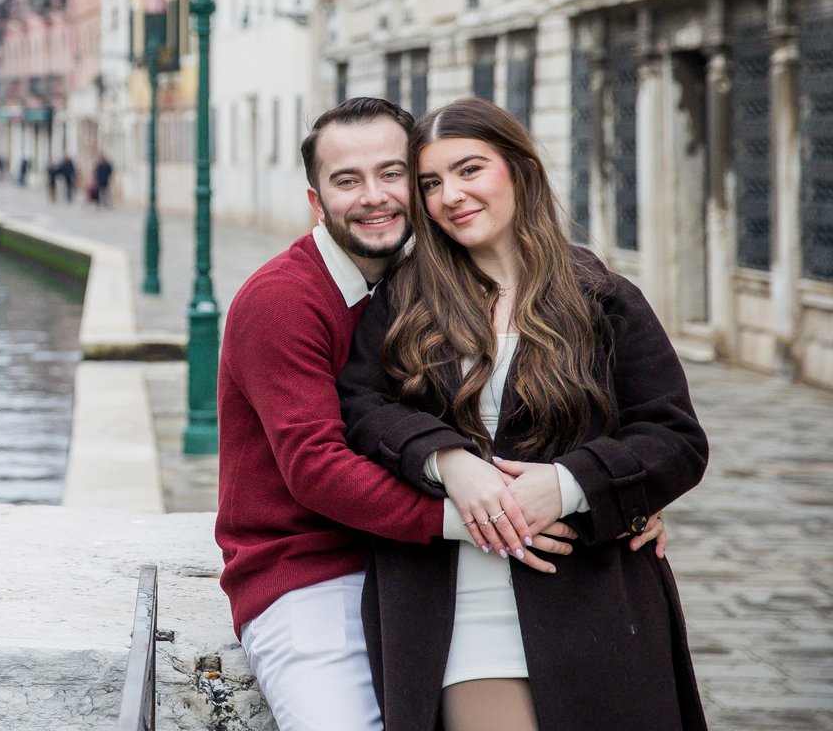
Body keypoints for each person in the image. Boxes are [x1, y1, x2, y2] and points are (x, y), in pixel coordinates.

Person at [215, 98, 665, 731]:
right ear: (316, 201)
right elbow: (319, 463)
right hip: (313, 568)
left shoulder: (425, 281)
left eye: (395, 174)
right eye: (347, 181)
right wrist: (484, 513)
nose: (374, 197)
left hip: (412, 561)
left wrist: (615, 486)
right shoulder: (283, 301)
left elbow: (653, 426)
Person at [338, 97, 707, 731]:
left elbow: (673, 438)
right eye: (430, 183)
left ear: (520, 169)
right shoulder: (404, 302)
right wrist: (448, 460)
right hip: (459, 605)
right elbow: (361, 409)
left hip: (593, 598)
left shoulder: (603, 299)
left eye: (469, 169)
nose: (451, 194)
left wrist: (567, 486)